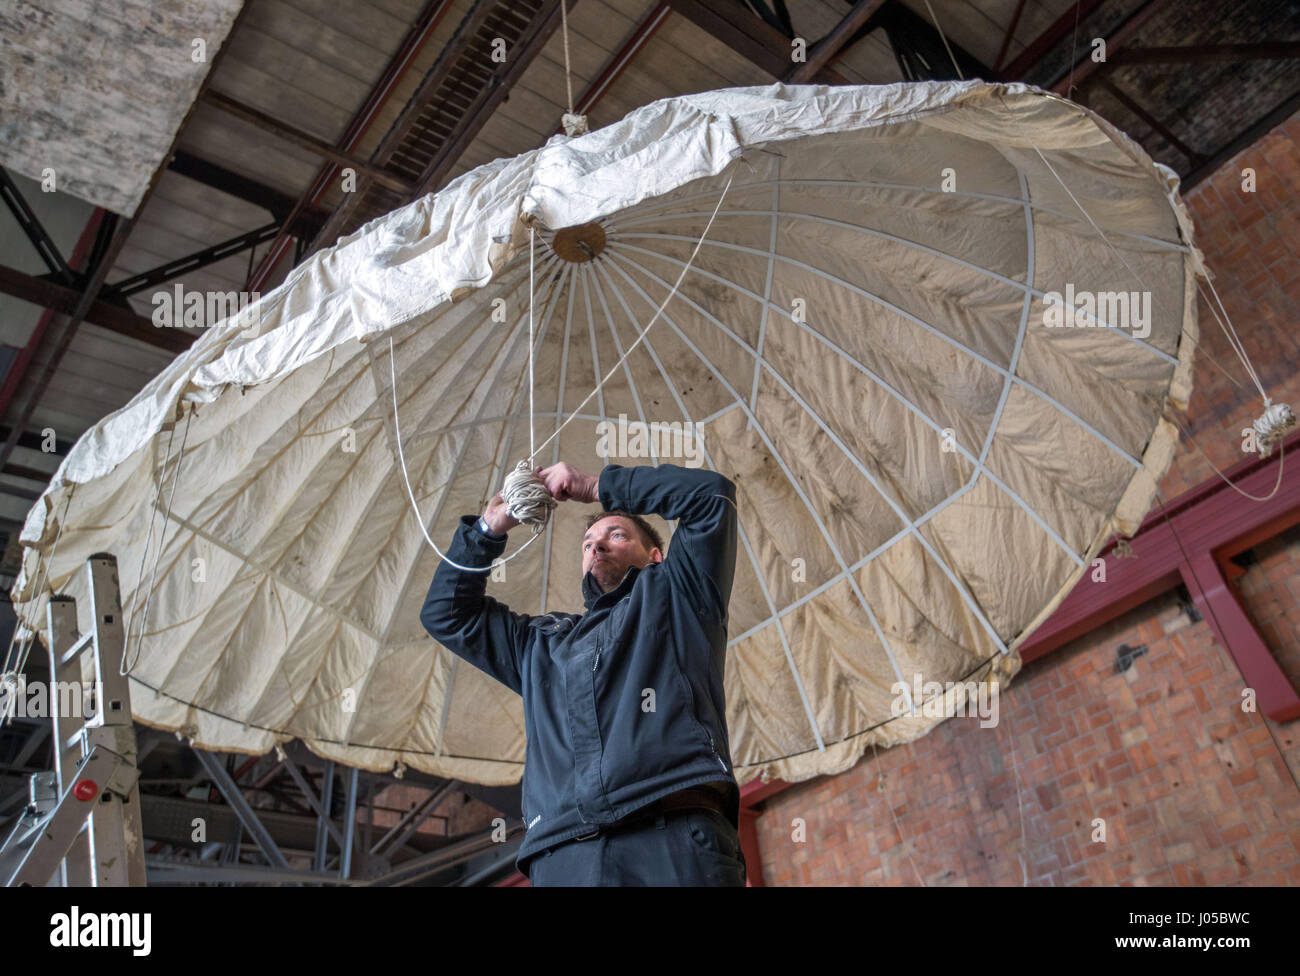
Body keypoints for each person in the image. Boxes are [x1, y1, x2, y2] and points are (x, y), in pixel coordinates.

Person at [420, 460, 745, 886]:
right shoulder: (540, 644)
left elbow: (711, 496)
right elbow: (446, 615)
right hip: (563, 856)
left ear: (655, 556)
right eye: (588, 542)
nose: (597, 546)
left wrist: (593, 486)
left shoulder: (680, 593)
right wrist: (487, 529)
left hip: (673, 832)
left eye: (616, 534)